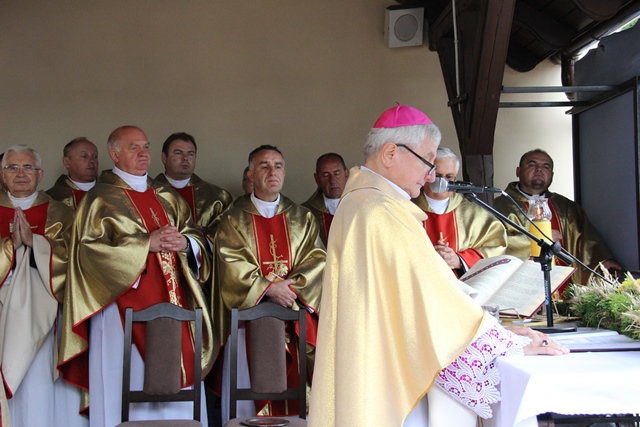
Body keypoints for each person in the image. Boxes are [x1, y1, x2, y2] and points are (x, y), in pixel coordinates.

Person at [308, 105, 567, 427]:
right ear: (390, 153)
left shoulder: (364, 201)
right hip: (394, 380)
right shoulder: (380, 211)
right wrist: (504, 342)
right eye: (428, 161)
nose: (432, 175)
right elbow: (432, 303)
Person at [58, 126, 215, 427]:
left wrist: (185, 243)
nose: (143, 153)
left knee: (179, 380)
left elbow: (194, 235)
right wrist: (145, 245)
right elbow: (89, 254)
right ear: (114, 154)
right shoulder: (99, 199)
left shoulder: (166, 196)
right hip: (120, 310)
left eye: (146, 147)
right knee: (127, 383)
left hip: (175, 306)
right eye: (134, 148)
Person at [213, 145, 325, 423]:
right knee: (249, 400)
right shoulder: (233, 219)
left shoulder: (302, 217)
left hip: (293, 319)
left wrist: (290, 289)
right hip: (248, 323)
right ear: (251, 174)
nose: (272, 171)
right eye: (264, 166)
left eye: (278, 165)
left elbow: (317, 260)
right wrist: (270, 289)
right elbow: (230, 265)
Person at [0, 145, 81, 427]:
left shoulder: (61, 212)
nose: (21, 173)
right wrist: (11, 246)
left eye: (28, 167)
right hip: (2, 309)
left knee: (39, 380)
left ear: (40, 174)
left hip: (46, 311)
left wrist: (34, 243)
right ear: (2, 174)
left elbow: (74, 261)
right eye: (13, 167)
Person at [494, 148, 622, 290]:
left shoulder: (566, 207)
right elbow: (495, 244)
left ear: (552, 175)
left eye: (546, 167)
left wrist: (602, 261)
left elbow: (585, 240)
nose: (539, 169)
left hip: (564, 288)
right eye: (532, 165)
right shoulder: (499, 206)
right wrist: (538, 240)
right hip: (521, 287)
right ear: (518, 171)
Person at [411, 147, 507, 276]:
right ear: (426, 175)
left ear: (455, 179)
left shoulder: (474, 213)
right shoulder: (407, 208)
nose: (443, 182)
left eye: (449, 177)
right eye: (437, 176)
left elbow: (497, 246)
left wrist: (460, 260)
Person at [154, 132, 232, 243]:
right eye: (178, 153)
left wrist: (201, 233)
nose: (185, 158)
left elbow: (229, 235)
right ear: (164, 158)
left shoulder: (218, 197)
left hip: (201, 254)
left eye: (190, 154)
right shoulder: (147, 192)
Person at [302, 153, 349, 246]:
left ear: (346, 173)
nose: (332, 180)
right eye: (326, 175)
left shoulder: (361, 206)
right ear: (317, 179)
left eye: (337, 174)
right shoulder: (305, 213)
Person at [46, 137, 99, 209]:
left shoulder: (109, 190)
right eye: (84, 156)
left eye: (95, 156)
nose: (92, 161)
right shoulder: (52, 198)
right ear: (67, 162)